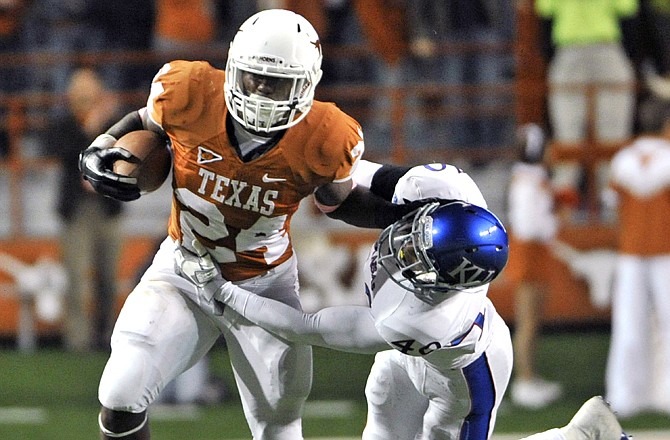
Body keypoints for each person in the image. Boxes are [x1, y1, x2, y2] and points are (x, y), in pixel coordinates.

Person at [78, 9, 428, 439]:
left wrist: (401, 212)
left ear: (306, 84)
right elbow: (144, 122)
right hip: (183, 269)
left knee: (276, 423)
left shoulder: (326, 134)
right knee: (119, 395)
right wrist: (103, 146)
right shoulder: (188, 89)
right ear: (233, 68)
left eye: (277, 83)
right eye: (254, 78)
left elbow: (338, 203)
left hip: (263, 285)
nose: (262, 92)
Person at [174, 164, 629, 440]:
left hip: (465, 382)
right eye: (418, 235)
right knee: (383, 399)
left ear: (440, 284)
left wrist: (223, 292)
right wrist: (308, 161)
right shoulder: (457, 191)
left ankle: (581, 434)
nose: (403, 245)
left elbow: (305, 325)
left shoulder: (418, 319)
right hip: (419, 356)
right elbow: (360, 169)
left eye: (418, 255)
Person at [535, 0, 639, 214]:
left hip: (575, 52)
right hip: (600, 50)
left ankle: (601, 217)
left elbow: (544, 11)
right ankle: (605, 218)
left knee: (578, 139)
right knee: (594, 140)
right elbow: (628, 10)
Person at [48, 68, 125, 352]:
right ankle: (77, 340)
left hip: (107, 208)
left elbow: (123, 153)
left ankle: (107, 335)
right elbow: (62, 151)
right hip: (76, 210)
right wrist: (90, 127)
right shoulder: (65, 124)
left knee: (108, 277)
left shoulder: (115, 123)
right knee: (76, 277)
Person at [604, 115, 670, 417]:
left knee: (628, 325)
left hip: (630, 251)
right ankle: (663, 394)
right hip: (666, 251)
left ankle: (624, 396)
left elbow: (610, 202)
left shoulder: (623, 160)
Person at [506, 123, 563, 409]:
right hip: (530, 252)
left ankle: (530, 377)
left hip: (533, 252)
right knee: (528, 322)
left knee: (533, 320)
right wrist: (552, 224)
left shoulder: (531, 178)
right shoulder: (529, 181)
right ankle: (524, 381)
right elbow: (529, 225)